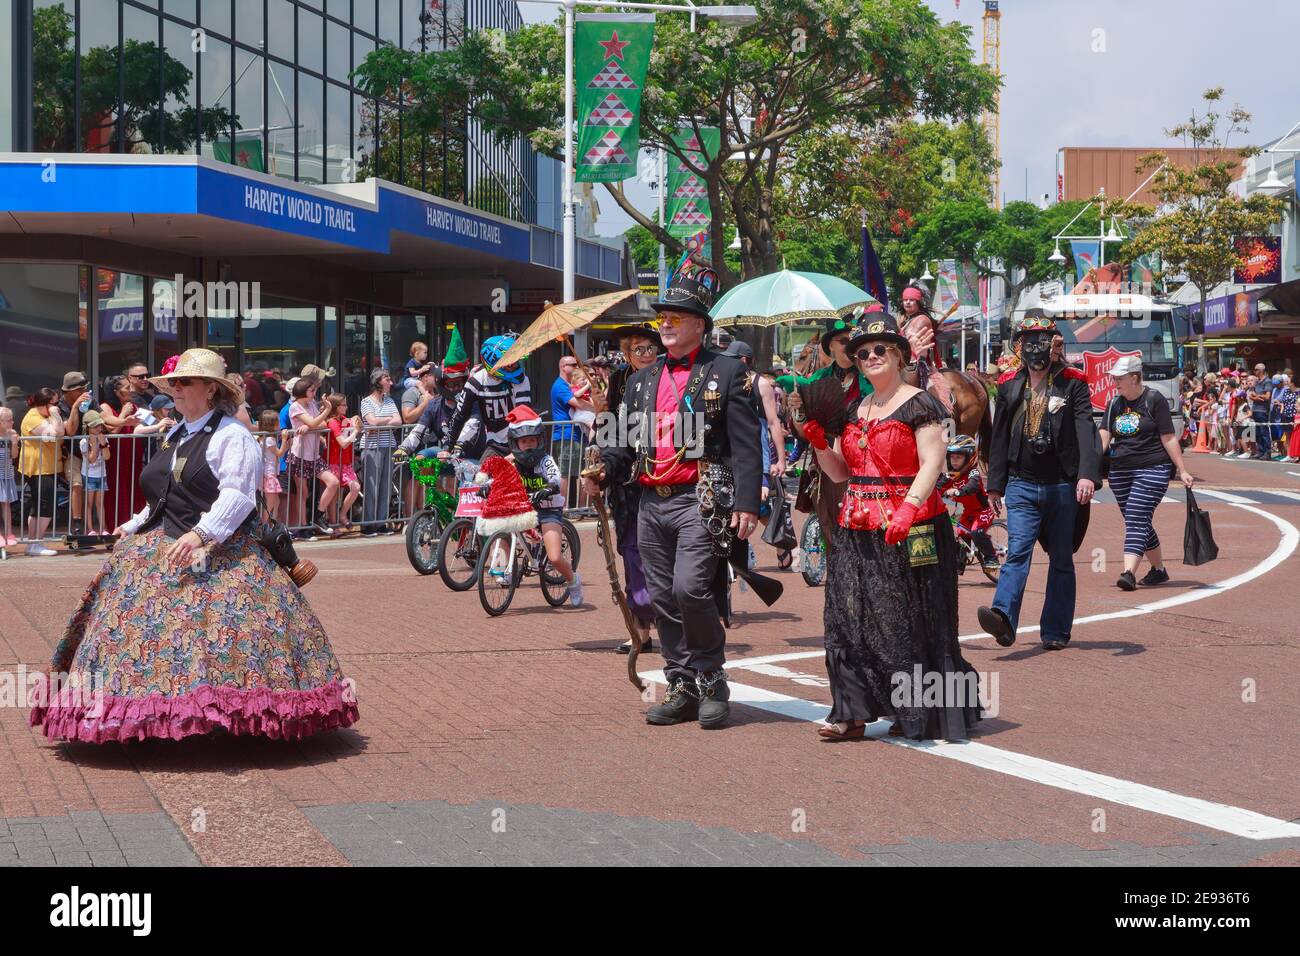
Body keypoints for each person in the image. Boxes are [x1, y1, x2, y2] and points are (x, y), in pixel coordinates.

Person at [28, 348, 359, 743]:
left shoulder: (232, 435)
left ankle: (224, 712)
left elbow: (237, 497)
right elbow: (162, 495)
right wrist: (134, 524)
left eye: (186, 382)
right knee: (132, 627)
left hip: (224, 549)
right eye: (174, 384)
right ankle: (133, 713)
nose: (177, 390)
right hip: (164, 540)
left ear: (210, 389)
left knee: (220, 629)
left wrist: (201, 534)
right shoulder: (175, 433)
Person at [584, 262, 765, 729]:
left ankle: (711, 679)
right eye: (662, 317)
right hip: (650, 501)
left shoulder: (729, 373)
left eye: (675, 317)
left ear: (699, 326)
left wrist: (747, 504)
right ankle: (680, 684)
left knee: (691, 587)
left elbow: (746, 445)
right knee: (661, 594)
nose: (664, 324)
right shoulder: (641, 380)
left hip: (698, 499)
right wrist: (601, 467)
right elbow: (623, 441)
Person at [803, 312, 980, 742]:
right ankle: (851, 712)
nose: (871, 357)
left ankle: (916, 709)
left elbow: (933, 463)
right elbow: (842, 473)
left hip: (913, 527)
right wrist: (821, 444)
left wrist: (909, 508)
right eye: (862, 353)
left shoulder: (920, 402)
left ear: (899, 355)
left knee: (910, 618)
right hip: (856, 526)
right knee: (848, 617)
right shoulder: (853, 409)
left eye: (880, 349)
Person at [978, 316, 1101, 650]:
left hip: (1062, 485)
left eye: (1043, 340)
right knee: (1017, 551)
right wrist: (995, 486)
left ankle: (1056, 631)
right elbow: (999, 436)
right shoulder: (1008, 384)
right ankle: (1003, 618)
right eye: (1029, 341)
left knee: (1061, 558)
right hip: (1021, 485)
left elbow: (1086, 430)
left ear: (1054, 345)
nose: (1036, 347)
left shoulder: (1073, 382)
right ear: (1019, 347)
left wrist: (1087, 475)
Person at [592, 323, 661, 654]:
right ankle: (642, 630)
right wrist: (601, 415)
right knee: (632, 553)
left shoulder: (671, 379)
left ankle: (675, 621)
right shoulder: (619, 380)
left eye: (650, 348)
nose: (645, 355)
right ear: (628, 354)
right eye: (638, 349)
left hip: (665, 476)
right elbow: (612, 435)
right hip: (628, 482)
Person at [1099, 356, 1195, 590]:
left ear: (1134, 378)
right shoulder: (1114, 404)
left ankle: (1128, 573)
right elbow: (1104, 434)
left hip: (1153, 467)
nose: (1115, 383)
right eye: (1114, 378)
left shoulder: (1154, 399)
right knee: (1138, 520)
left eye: (1119, 379)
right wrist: (1090, 464)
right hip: (1120, 471)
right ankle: (1159, 570)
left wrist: (1182, 469)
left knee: (1134, 517)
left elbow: (1168, 437)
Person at [784, 316, 874, 556]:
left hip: (863, 463)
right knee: (829, 525)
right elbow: (802, 431)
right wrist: (798, 411)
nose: (848, 346)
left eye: (852, 341)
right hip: (825, 460)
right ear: (830, 346)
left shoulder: (871, 376)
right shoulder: (817, 380)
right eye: (843, 341)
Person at [501, 405, 582, 605]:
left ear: (539, 441)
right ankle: (507, 567)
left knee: (554, 557)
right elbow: (498, 477)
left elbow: (555, 477)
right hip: (525, 508)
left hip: (548, 510)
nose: (528, 445)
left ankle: (573, 580)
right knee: (501, 527)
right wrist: (486, 487)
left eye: (532, 441)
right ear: (515, 443)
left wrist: (549, 488)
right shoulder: (512, 462)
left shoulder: (545, 461)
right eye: (523, 442)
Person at [444, 334, 532, 463]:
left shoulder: (522, 380)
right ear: (493, 363)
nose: (515, 367)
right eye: (509, 364)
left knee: (525, 478)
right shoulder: (476, 382)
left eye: (515, 362)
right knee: (481, 478)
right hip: (495, 443)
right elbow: (460, 415)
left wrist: (516, 452)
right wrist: (448, 447)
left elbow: (522, 414)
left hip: (521, 440)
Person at [287, 377, 340, 538]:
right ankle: (303, 528)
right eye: (311, 390)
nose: (314, 393)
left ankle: (318, 515)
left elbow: (321, 424)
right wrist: (324, 411)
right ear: (303, 391)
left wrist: (309, 425)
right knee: (303, 492)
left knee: (333, 482)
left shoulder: (311, 405)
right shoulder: (295, 406)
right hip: (300, 454)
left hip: (314, 454)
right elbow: (315, 422)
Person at [938, 434, 999, 573]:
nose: (954, 461)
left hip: (983, 510)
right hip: (969, 512)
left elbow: (972, 487)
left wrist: (958, 492)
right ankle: (962, 560)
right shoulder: (951, 475)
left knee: (976, 531)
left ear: (969, 458)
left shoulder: (973, 473)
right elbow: (937, 484)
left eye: (959, 457)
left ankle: (991, 558)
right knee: (959, 533)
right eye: (952, 457)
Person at [19, 388, 64, 557]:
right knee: (44, 505)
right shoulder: (33, 418)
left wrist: (53, 415)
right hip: (38, 467)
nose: (57, 406)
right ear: (45, 404)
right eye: (54, 403)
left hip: (47, 466)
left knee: (39, 505)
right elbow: (55, 434)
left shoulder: (44, 416)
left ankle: (34, 543)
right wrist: (56, 415)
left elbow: (59, 433)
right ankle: (35, 543)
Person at [359, 368, 403, 536]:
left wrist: (379, 423)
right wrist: (384, 421)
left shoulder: (390, 401)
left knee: (385, 485)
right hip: (371, 447)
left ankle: (380, 522)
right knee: (371, 485)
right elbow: (371, 421)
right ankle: (368, 523)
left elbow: (398, 421)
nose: (390, 383)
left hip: (388, 445)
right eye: (387, 379)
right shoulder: (366, 402)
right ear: (378, 382)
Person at [551, 353, 593, 504]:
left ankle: (579, 507)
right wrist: (597, 408)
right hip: (566, 435)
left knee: (581, 472)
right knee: (567, 473)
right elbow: (578, 403)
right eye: (573, 365)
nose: (577, 367)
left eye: (577, 364)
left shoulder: (568, 385)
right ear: (563, 367)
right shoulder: (560, 385)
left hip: (576, 435)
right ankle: (563, 508)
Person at [57, 372, 91, 543]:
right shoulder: (60, 406)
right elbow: (70, 431)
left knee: (95, 488)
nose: (84, 391)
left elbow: (103, 417)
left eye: (85, 388)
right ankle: (77, 524)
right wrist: (76, 407)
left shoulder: (89, 400)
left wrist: (122, 421)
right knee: (76, 484)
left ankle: (93, 527)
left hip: (91, 451)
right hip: (72, 452)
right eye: (80, 389)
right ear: (69, 391)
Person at [323, 394, 362, 529]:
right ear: (336, 407)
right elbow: (343, 443)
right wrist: (355, 431)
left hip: (345, 462)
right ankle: (334, 526)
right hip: (334, 461)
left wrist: (356, 420)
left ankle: (342, 514)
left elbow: (353, 422)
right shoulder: (332, 422)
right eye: (343, 405)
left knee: (355, 487)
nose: (346, 407)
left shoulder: (344, 419)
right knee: (333, 494)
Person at [78, 410, 111, 538]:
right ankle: (90, 529)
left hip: (102, 474)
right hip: (89, 475)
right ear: (87, 427)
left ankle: (103, 528)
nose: (99, 428)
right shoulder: (83, 442)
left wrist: (103, 444)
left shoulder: (104, 438)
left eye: (100, 425)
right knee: (89, 503)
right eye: (96, 426)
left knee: (99, 503)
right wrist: (94, 444)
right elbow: (91, 459)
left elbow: (107, 456)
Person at [257, 409, 291, 522]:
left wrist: (286, 444)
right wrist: (285, 439)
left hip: (269, 472)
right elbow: (280, 453)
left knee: (275, 500)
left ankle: (268, 523)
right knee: (271, 501)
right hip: (269, 473)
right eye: (278, 421)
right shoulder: (269, 439)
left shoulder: (264, 438)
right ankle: (263, 524)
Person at [0, 407, 19, 546]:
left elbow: (14, 455)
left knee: (6, 504)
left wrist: (14, 443)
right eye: (8, 420)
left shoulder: (11, 433)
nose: (12, 422)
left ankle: (9, 533)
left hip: (6, 474)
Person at [1249, 373, 1274, 459]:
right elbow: (1251, 396)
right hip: (1255, 409)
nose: (1255, 371)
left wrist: (1258, 396)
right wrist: (1256, 397)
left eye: (1256, 370)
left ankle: (1267, 452)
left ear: (1260, 371)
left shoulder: (1267, 381)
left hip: (1263, 410)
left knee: (1264, 432)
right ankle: (1260, 451)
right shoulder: (1257, 382)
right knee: (1258, 432)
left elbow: (1267, 396)